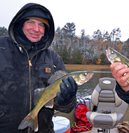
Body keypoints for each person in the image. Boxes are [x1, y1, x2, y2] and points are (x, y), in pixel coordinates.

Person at [0, 3, 77, 133]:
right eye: (31, 22)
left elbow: (66, 108)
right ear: (20, 24)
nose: (36, 29)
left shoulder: (54, 59)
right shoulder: (2, 48)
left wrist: (67, 100)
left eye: (41, 25)